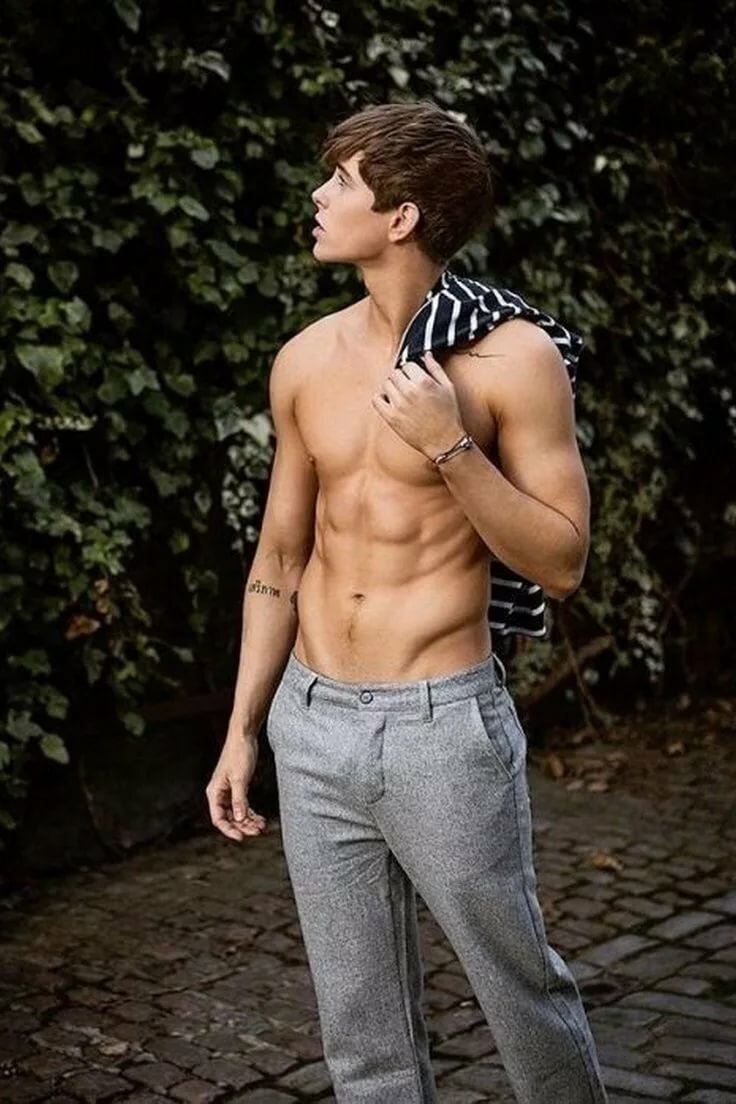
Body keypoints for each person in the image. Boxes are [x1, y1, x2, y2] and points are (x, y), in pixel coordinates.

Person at [206, 100, 608, 1104]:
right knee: (361, 1032)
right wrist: (244, 729)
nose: (318, 195)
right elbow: (279, 557)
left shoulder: (511, 360)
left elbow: (561, 561)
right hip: (312, 722)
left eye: (340, 180)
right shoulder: (304, 360)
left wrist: (448, 445)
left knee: (522, 994)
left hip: (441, 729)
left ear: (400, 217)